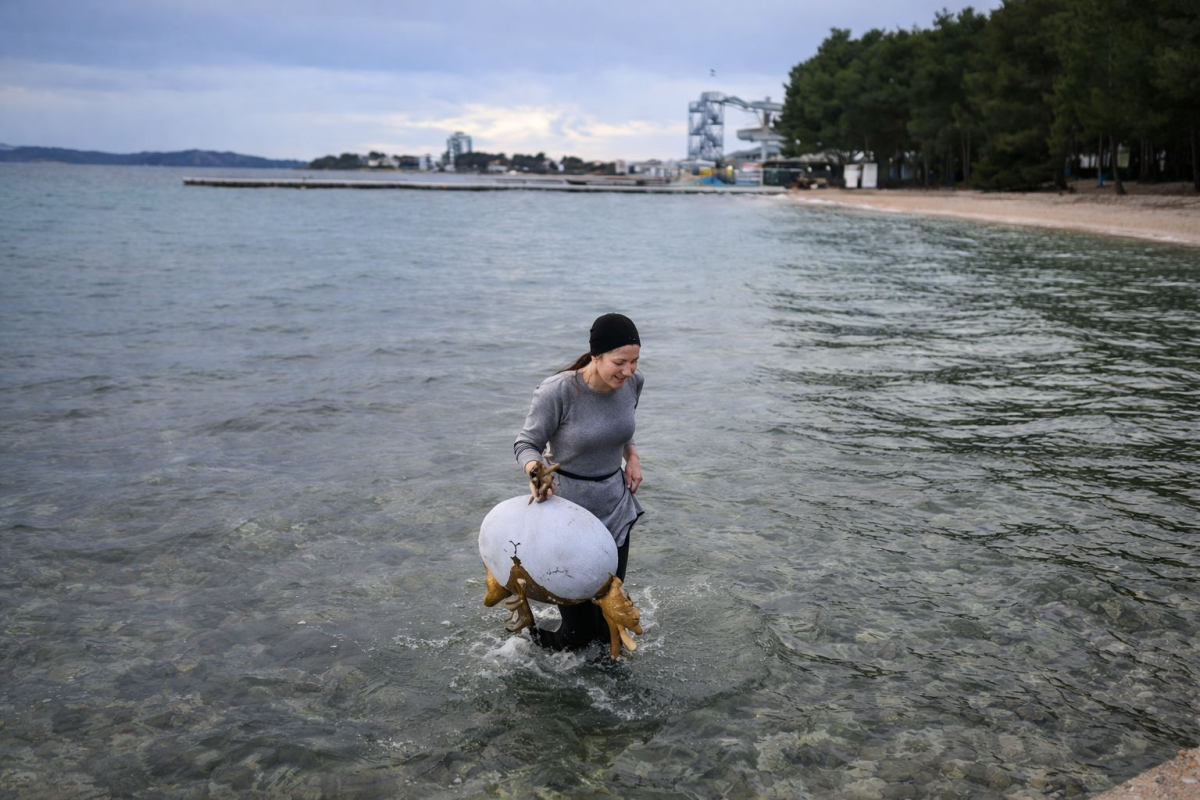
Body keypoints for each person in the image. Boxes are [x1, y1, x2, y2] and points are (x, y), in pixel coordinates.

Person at [514, 312, 644, 650]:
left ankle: (604, 689)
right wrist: (535, 471)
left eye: (634, 361)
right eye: (620, 362)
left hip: (614, 510)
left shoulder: (633, 382)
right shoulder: (557, 392)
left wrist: (632, 455)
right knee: (579, 633)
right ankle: (525, 651)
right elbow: (526, 444)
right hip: (566, 518)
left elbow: (620, 427)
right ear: (596, 355)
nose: (628, 371)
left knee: (606, 620)